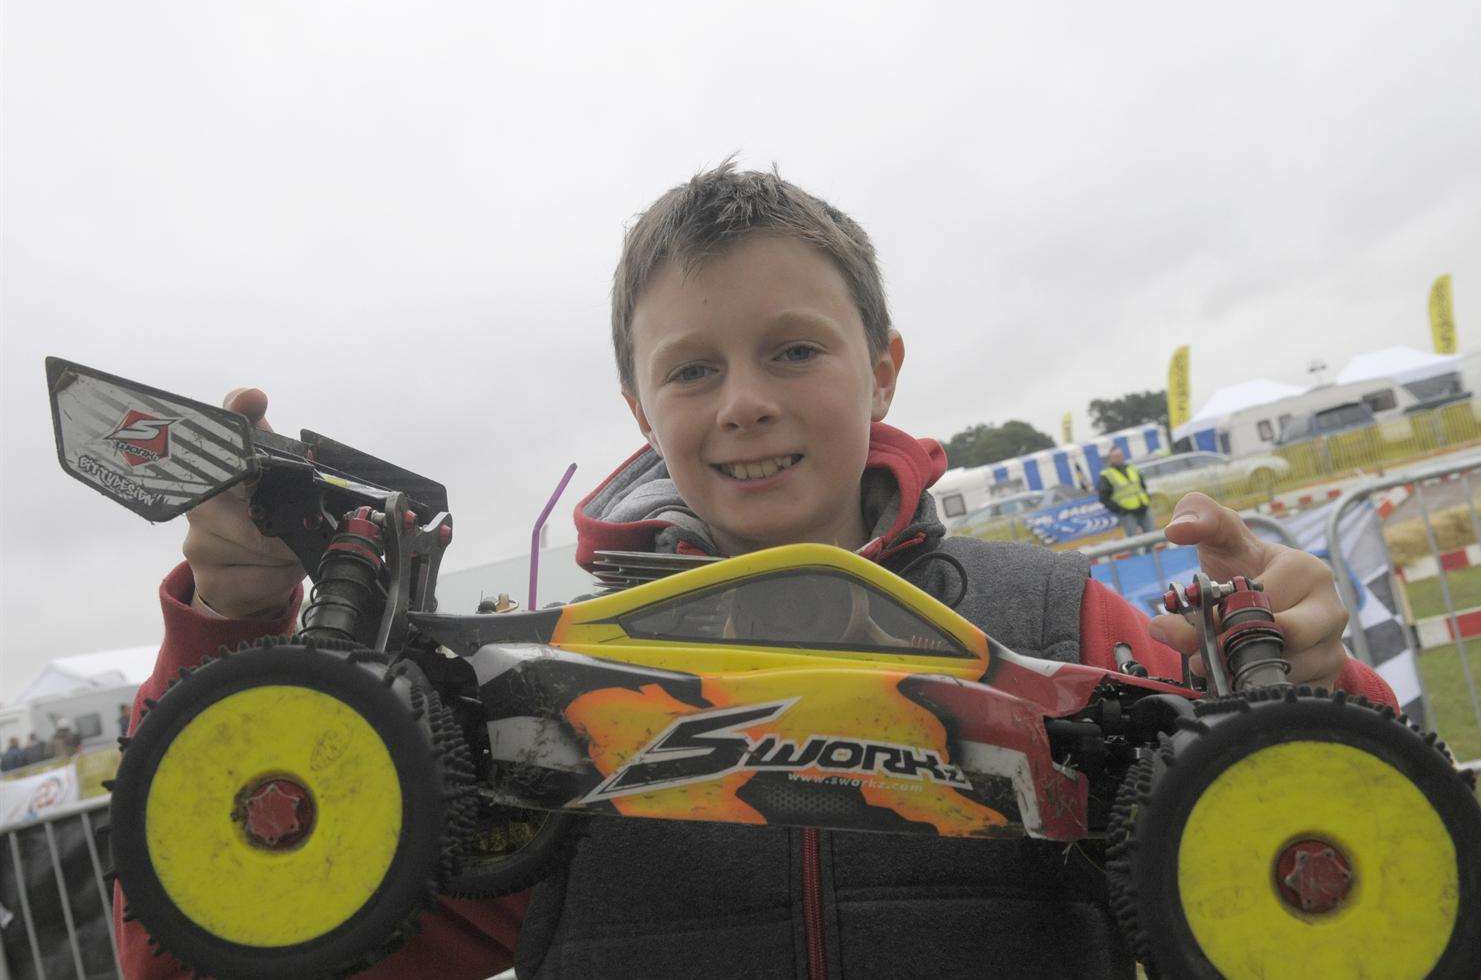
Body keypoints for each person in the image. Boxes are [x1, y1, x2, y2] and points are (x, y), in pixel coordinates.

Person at [116, 163, 1395, 979]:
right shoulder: (524, 691)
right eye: (691, 369)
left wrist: (1319, 675)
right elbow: (222, 938)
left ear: (881, 366)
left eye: (792, 351)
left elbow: (1356, 867)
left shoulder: (1062, 623)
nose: (742, 404)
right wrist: (234, 632)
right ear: (637, 401)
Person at [1098, 445, 1154, 537]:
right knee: (1133, 541)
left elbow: (1142, 486)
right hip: (1127, 513)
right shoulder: (1107, 475)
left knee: (1151, 537)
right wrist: (1120, 510)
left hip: (1143, 507)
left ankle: (1151, 551)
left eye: (1120, 455)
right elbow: (1104, 498)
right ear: (1110, 459)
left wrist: (1146, 499)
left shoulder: (1132, 468)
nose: (1119, 458)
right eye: (1116, 456)